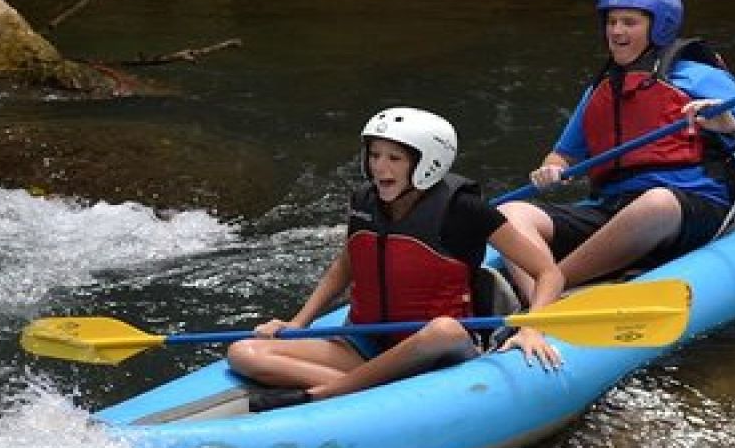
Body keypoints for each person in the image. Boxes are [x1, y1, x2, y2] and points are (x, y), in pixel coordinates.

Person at [227, 108, 567, 412]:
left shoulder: (465, 209)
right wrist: (297, 324)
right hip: (369, 341)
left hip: (436, 351)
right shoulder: (365, 202)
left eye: (394, 158)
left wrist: (531, 327)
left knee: (444, 329)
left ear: (428, 162)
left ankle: (328, 393)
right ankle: (380, 389)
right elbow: (344, 268)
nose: (379, 167)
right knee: (244, 353)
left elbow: (548, 273)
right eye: (374, 155)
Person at [501, 0, 735, 294]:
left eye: (630, 22)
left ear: (659, 27)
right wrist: (551, 170)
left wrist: (732, 127)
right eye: (611, 22)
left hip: (690, 208)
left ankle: (553, 284)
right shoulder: (601, 90)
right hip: (613, 210)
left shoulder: (700, 77)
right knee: (508, 215)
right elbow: (562, 157)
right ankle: (536, 304)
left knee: (656, 202)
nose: (616, 31)